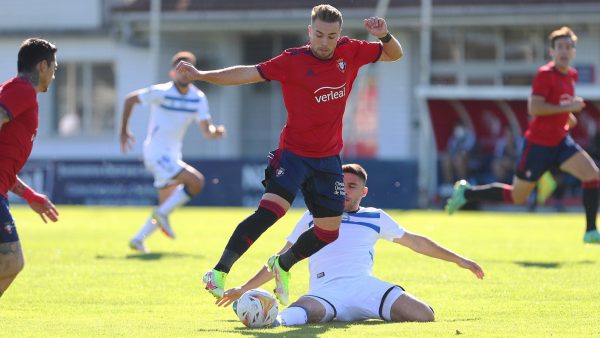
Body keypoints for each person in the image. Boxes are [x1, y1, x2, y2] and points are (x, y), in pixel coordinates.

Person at [176, 4, 403, 304]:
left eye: (331, 36)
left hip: (328, 160)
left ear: (339, 35)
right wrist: (201, 75)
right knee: (271, 212)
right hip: (293, 155)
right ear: (310, 31)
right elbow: (245, 74)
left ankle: (282, 264)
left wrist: (384, 35)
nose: (324, 42)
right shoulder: (291, 61)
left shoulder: (351, 51)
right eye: (319, 35)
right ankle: (218, 272)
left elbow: (395, 54)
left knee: (327, 233)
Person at [216, 164, 484, 326]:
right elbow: (281, 258)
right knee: (296, 315)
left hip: (365, 287)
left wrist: (460, 260)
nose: (344, 191)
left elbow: (417, 242)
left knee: (425, 315)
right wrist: (244, 288)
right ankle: (264, 318)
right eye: (340, 185)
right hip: (326, 291)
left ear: (363, 192)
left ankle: (366, 312)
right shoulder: (313, 215)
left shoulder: (376, 216)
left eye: (352, 186)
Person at [446, 26, 600, 244]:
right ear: (552, 52)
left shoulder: (571, 77)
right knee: (518, 196)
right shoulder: (545, 75)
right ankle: (467, 193)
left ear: (574, 52)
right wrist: (568, 108)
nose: (564, 51)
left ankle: (591, 231)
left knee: (592, 174)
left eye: (568, 47)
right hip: (538, 145)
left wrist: (568, 116)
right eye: (560, 47)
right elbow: (534, 108)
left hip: (561, 142)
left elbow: (559, 109)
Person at [120, 51, 226, 253]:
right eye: (179, 69)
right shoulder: (161, 92)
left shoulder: (198, 98)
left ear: (193, 72)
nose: (183, 74)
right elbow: (129, 100)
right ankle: (161, 215)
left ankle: (138, 239)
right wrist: (124, 130)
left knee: (166, 204)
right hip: (155, 152)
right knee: (196, 182)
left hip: (173, 155)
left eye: (187, 69)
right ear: (172, 73)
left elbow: (206, 131)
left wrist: (216, 133)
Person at [0, 38, 60, 298]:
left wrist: (29, 195)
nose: (54, 74)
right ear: (43, 65)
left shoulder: (20, 94)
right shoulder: (21, 90)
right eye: (54, 68)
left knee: (10, 264)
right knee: (12, 262)